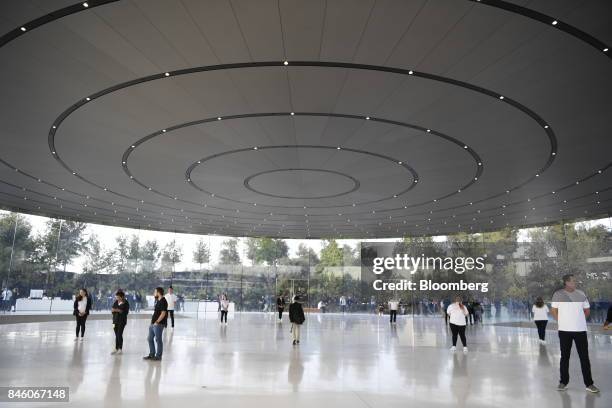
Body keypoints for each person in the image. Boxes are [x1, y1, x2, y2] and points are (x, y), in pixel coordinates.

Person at [551, 274, 599, 393]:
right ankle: (563, 382)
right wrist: (561, 322)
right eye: (573, 281)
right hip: (564, 331)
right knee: (564, 357)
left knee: (584, 358)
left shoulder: (581, 294)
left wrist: (579, 320)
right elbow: (553, 310)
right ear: (566, 282)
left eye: (575, 281)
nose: (575, 283)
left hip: (580, 331)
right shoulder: (558, 294)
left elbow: (587, 310)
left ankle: (589, 384)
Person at [144, 287, 167, 361]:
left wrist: (157, 322)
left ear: (158, 293)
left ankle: (158, 356)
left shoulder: (163, 301)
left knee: (158, 340)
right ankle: (152, 354)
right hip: (153, 324)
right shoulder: (158, 300)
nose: (154, 293)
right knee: (150, 338)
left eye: (155, 292)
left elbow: (163, 313)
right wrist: (153, 322)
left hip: (159, 324)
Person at [111, 290, 130, 355]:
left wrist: (117, 310)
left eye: (118, 297)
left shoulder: (126, 303)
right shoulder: (116, 302)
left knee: (119, 334)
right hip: (114, 321)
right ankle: (116, 348)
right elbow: (112, 310)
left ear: (122, 297)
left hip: (122, 321)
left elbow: (124, 312)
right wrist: (117, 310)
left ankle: (120, 349)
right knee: (116, 335)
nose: (117, 298)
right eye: (116, 297)